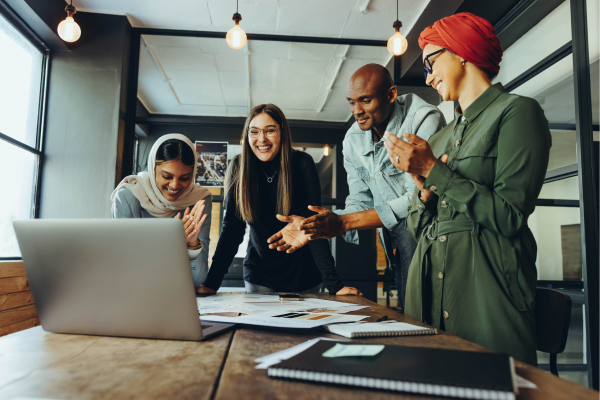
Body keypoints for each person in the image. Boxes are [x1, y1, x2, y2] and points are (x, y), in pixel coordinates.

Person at [382, 13, 551, 365]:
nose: (427, 76)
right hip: (426, 295)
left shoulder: (517, 113)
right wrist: (424, 193)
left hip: (485, 297)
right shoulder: (441, 136)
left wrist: (433, 172)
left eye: (431, 61)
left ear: (461, 51)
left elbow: (510, 217)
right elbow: (415, 227)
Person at [268, 64, 445, 310]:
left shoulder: (424, 119)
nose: (357, 111)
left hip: (433, 230)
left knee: (420, 310)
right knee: (410, 307)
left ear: (391, 95)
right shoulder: (352, 139)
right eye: (351, 102)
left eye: (365, 100)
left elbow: (416, 200)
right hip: (395, 237)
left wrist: (343, 223)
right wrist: (317, 224)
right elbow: (359, 199)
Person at [196, 104, 361, 296]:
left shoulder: (302, 164)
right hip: (259, 276)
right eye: (254, 132)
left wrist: (335, 286)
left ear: (282, 132)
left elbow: (313, 225)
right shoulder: (238, 167)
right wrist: (212, 282)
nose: (262, 139)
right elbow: (232, 229)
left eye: (270, 130)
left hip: (304, 276)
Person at [111, 134, 212, 290]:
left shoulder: (198, 200)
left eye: (185, 178)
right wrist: (173, 245)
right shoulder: (128, 197)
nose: (175, 185)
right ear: (153, 169)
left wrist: (192, 245)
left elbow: (197, 279)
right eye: (167, 176)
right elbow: (125, 271)